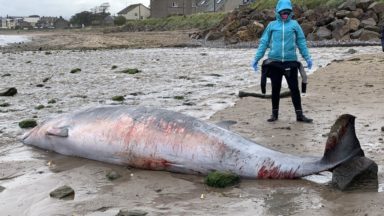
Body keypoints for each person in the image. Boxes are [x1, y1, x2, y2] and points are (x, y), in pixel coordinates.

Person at [251, 0, 313, 123]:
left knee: (294, 89)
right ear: (278, 12)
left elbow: (301, 42)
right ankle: (274, 114)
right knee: (275, 88)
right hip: (275, 62)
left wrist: (307, 58)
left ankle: (299, 115)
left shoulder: (294, 25)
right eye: (282, 12)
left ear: (290, 12)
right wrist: (256, 59)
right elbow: (263, 43)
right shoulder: (272, 25)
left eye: (287, 12)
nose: (285, 14)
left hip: (291, 62)